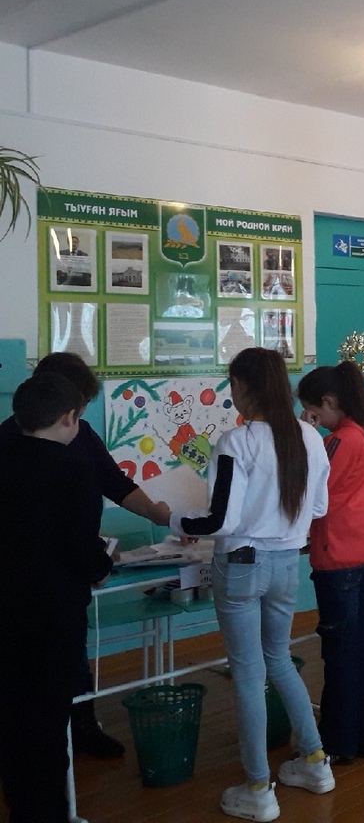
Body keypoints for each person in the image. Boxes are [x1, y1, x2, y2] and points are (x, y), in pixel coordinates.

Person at [171, 348, 333, 821]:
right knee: (278, 658)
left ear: (243, 386)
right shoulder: (310, 437)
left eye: (233, 385)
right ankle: (315, 762)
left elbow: (220, 520)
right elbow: (319, 509)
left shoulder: (236, 442)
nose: (232, 392)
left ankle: (259, 787)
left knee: (247, 672)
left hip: (241, 564)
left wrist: (174, 519)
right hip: (287, 564)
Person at [0, 351, 171, 759]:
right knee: (37, 691)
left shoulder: (80, 437)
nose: (80, 418)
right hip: (39, 586)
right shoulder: (12, 443)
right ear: (63, 409)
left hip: (58, 582)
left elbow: (114, 482)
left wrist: (157, 514)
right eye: (79, 409)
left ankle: (80, 728)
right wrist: (94, 559)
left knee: (62, 667)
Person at [0, 374, 114, 823]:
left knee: (13, 719)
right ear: (69, 418)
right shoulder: (73, 470)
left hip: (7, 612)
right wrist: (102, 565)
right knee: (48, 726)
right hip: (53, 615)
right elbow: (81, 545)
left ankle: (21, 808)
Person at [297, 362, 364, 765]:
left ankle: (338, 742)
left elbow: (312, 493)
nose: (313, 419)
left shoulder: (338, 442)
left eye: (313, 412)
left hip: (339, 556)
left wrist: (304, 435)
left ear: (328, 402)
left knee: (340, 651)